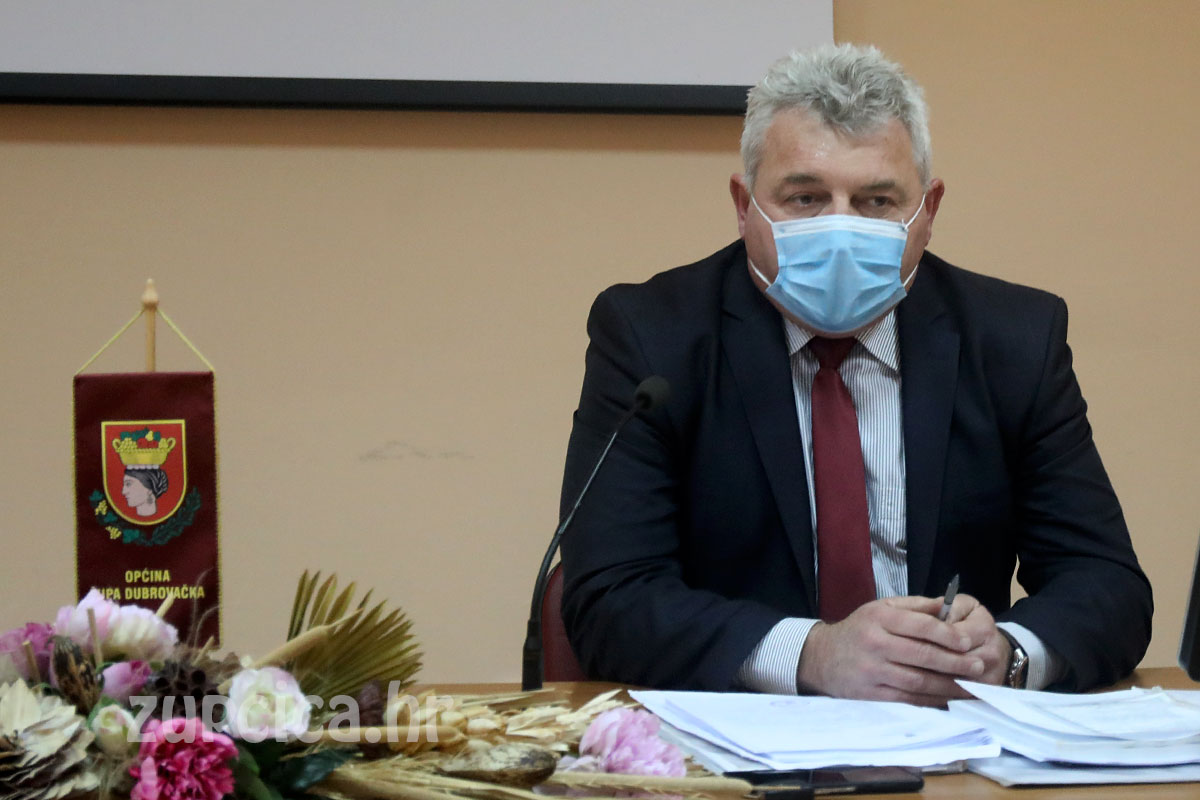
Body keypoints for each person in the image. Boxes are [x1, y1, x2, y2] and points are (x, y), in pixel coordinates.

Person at [558, 44, 1151, 704]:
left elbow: (1107, 585)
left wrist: (1006, 656)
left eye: (875, 201)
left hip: (951, 730)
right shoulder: (653, 337)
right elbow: (608, 599)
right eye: (805, 197)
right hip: (744, 734)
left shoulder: (1013, 339)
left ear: (928, 210)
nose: (840, 229)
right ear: (743, 204)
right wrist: (812, 653)